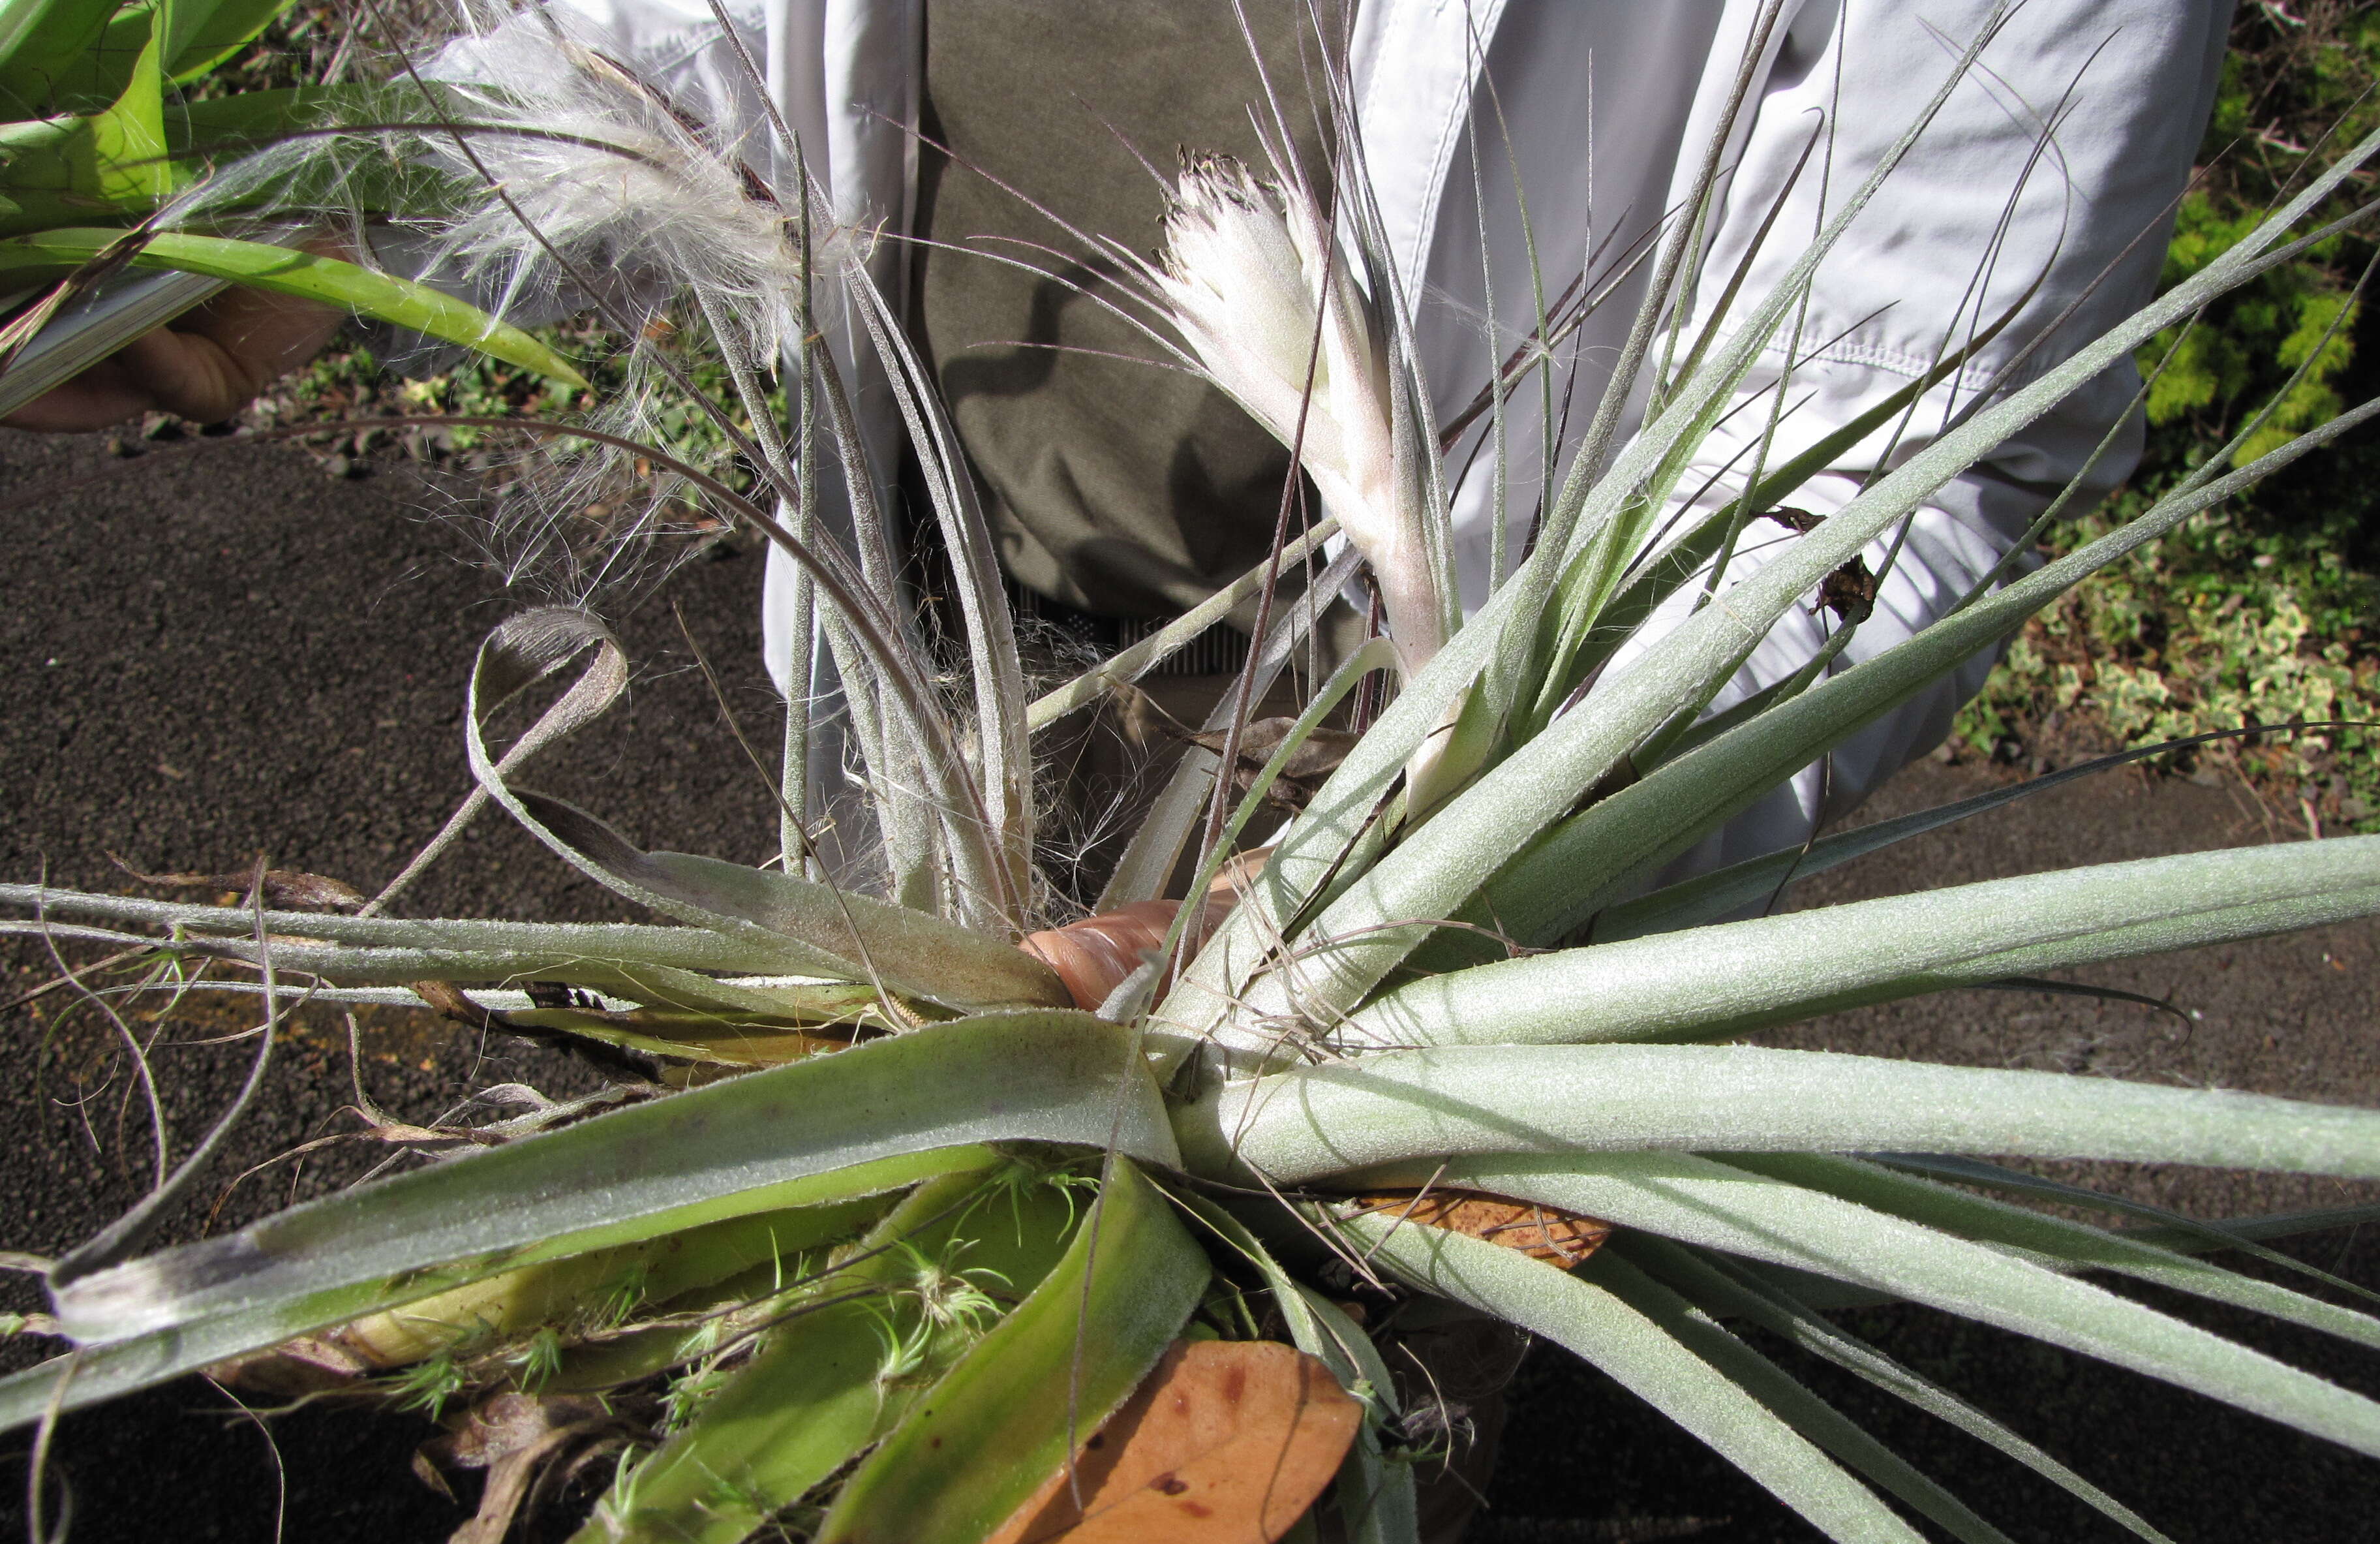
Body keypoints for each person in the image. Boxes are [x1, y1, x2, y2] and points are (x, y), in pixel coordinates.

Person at [4, 0, 2234, 875]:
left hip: (1448, 800)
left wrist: (1434, 871)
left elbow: (1907, 447)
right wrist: (309, 250)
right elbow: (689, 46)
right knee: (913, 1402)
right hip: (931, 663)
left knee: (1255, 1497)